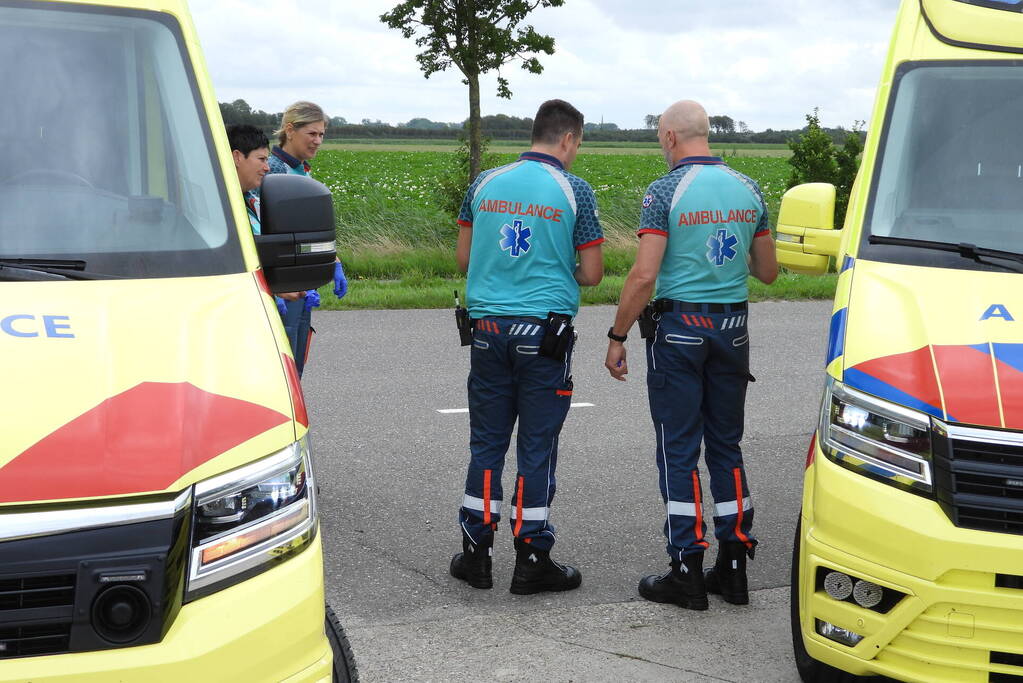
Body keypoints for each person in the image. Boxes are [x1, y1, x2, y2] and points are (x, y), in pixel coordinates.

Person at [603, 100, 777, 611]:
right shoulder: (749, 189)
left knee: (678, 450)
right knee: (726, 446)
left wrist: (617, 334)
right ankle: (735, 565)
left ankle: (687, 567)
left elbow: (644, 275)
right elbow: (768, 271)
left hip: (680, 331)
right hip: (732, 329)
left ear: (670, 137)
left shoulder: (664, 191)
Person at [450, 99, 604, 595]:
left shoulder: (484, 183)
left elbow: (464, 259)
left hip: (488, 331)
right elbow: (593, 273)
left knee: (486, 444)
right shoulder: (575, 190)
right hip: (544, 336)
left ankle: (476, 554)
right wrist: (557, 267)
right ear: (568, 139)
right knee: (537, 447)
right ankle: (532, 558)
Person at [266, 101, 347, 376]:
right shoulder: (273, 170)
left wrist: (332, 261)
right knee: (283, 371)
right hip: (283, 285)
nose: (318, 141)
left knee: (296, 366)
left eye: (322, 134)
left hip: (300, 283)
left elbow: (307, 228)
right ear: (290, 130)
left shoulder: (303, 170)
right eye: (312, 133)